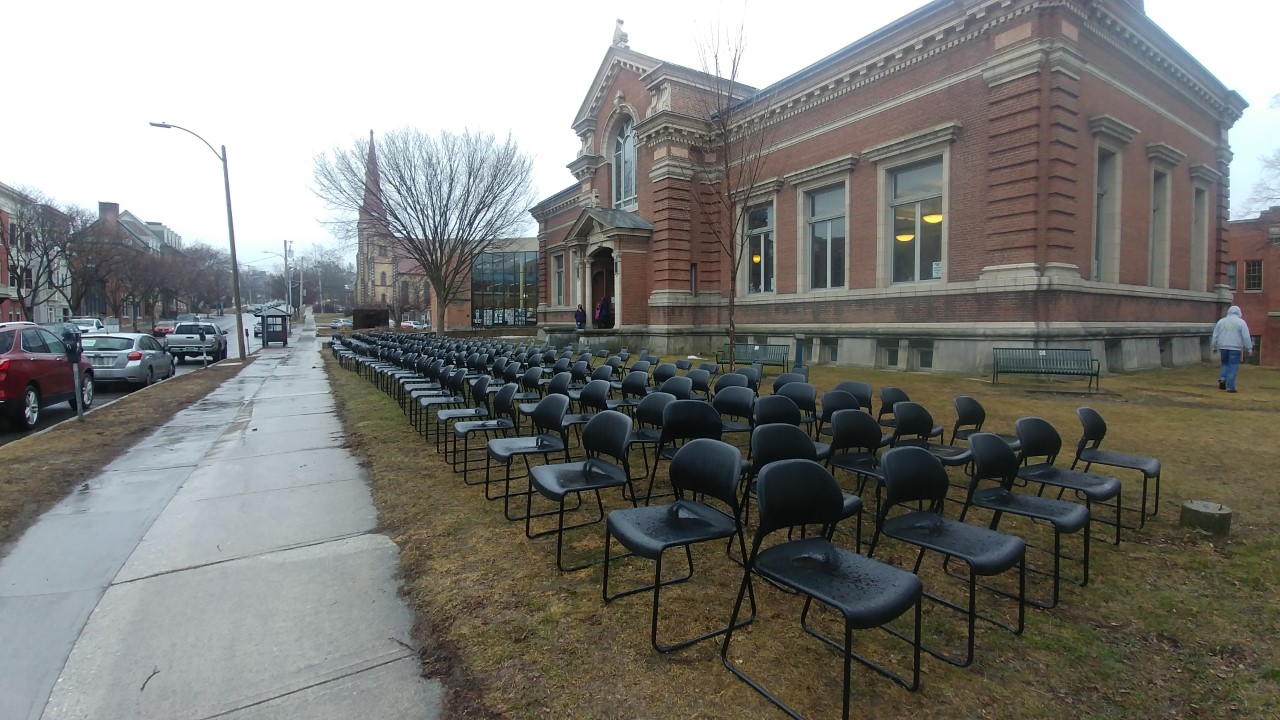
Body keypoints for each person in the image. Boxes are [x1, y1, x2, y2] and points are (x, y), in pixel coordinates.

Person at [1210, 305, 1252, 393]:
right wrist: (1249, 348)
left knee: (1224, 363)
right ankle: (1230, 387)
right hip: (1235, 348)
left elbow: (1215, 335)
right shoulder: (1241, 322)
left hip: (1223, 347)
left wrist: (1214, 346)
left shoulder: (1221, 321)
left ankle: (1222, 378)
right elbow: (1246, 337)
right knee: (1233, 366)